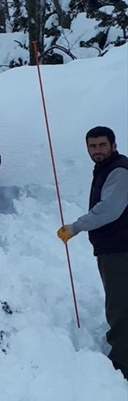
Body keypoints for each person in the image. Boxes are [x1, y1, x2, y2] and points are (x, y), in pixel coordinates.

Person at [58, 126, 128, 379]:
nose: (97, 150)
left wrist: (75, 227)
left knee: (120, 306)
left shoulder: (119, 170)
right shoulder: (108, 168)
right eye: (92, 146)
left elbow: (109, 209)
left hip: (119, 248)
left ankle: (122, 363)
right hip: (117, 245)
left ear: (113, 145)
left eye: (102, 145)